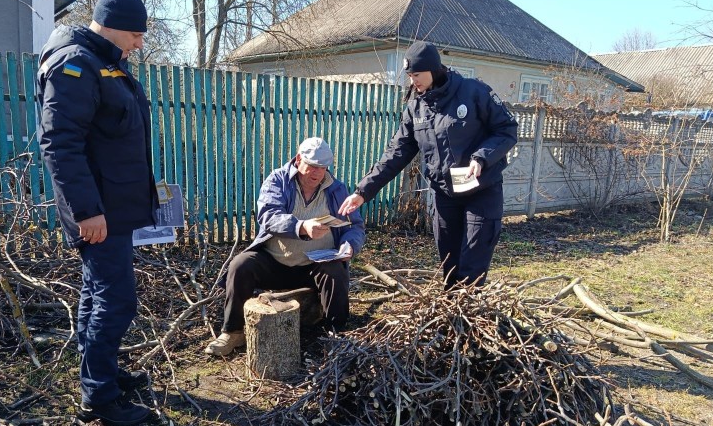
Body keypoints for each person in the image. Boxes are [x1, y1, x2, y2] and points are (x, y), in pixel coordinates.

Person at [36, 0, 158, 426]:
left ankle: (98, 375)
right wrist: (87, 211)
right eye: (134, 33)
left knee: (97, 292)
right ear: (108, 24)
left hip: (113, 206)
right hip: (97, 210)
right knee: (117, 300)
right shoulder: (76, 65)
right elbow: (60, 145)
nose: (139, 43)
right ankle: (100, 399)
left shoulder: (104, 63)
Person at [338, 41, 518, 288]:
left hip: (481, 191)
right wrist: (363, 191)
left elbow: (507, 130)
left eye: (417, 75)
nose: (413, 82)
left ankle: (468, 317)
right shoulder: (416, 107)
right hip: (445, 194)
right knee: (449, 263)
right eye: (410, 76)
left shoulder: (474, 92)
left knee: (472, 264)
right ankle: (452, 319)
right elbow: (397, 152)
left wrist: (481, 157)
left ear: (434, 69)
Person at [207, 137, 365, 356]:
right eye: (312, 166)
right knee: (240, 265)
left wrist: (349, 245)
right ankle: (232, 332)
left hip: (315, 264)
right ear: (299, 159)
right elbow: (268, 216)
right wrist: (301, 226)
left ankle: (335, 334)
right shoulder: (278, 180)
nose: (317, 174)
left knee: (335, 271)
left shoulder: (337, 189)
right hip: (275, 262)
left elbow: (355, 226)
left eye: (323, 168)